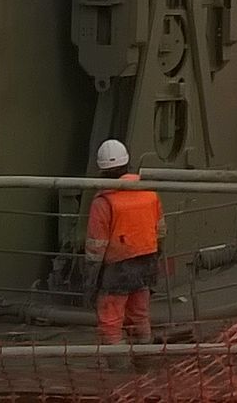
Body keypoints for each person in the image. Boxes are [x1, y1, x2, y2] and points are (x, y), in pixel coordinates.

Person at [85, 139, 164, 351]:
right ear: (127, 163)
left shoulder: (104, 201)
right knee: (140, 314)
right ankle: (145, 361)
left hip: (118, 267)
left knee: (111, 319)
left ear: (102, 170)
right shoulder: (149, 192)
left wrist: (92, 280)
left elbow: (95, 247)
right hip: (147, 260)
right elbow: (161, 230)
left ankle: (118, 368)